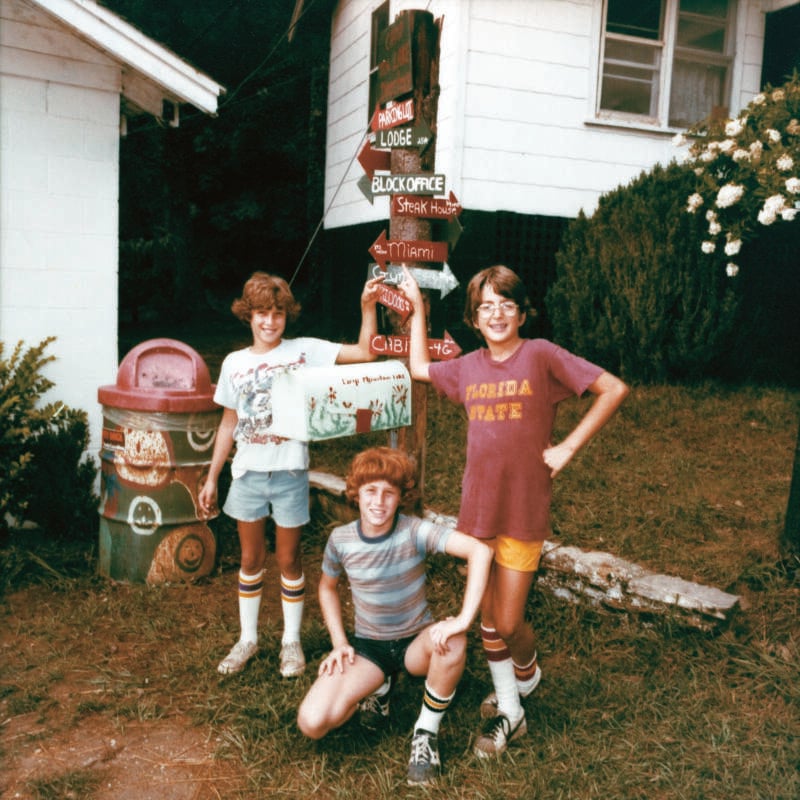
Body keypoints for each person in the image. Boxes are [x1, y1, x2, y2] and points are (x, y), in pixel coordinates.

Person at [401, 264, 628, 758]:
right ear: (474, 319)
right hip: (477, 511)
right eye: (486, 306)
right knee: (484, 615)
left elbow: (613, 388)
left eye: (507, 303)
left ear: (523, 313)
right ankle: (511, 708)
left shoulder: (541, 355)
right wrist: (418, 309)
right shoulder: (466, 367)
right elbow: (419, 368)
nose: (497, 313)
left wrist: (567, 447)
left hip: (523, 511)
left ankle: (527, 672)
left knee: (507, 622)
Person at [198, 271, 383, 678]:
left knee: (288, 558)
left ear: (287, 316)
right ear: (248, 315)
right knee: (250, 558)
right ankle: (248, 639)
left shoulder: (304, 351)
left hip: (289, 473)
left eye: (278, 313)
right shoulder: (234, 363)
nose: (270, 322)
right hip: (247, 474)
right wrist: (213, 476)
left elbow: (365, 354)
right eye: (262, 313)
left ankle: (290, 642)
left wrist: (367, 307)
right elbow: (228, 423)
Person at [296, 446, 493, 786]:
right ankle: (378, 688)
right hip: (369, 650)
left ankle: (425, 732)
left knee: (453, 640)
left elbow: (480, 550)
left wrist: (462, 619)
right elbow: (327, 589)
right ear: (355, 494)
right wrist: (340, 644)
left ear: (402, 497)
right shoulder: (340, 540)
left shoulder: (414, 530)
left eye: (389, 493)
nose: (379, 502)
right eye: (370, 490)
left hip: (415, 644)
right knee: (312, 722)